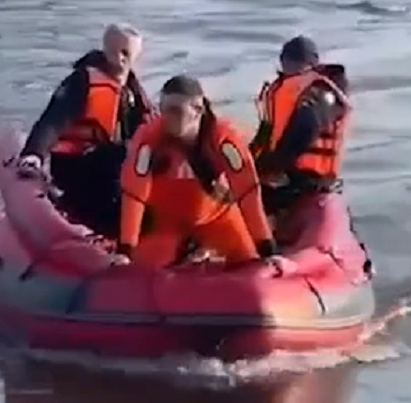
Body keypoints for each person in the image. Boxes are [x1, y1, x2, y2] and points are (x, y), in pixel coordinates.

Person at [115, 75, 290, 271]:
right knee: (142, 270)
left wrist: (268, 250)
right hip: (167, 223)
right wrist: (125, 250)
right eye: (163, 110)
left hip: (216, 217)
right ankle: (187, 250)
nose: (167, 118)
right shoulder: (149, 140)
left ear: (197, 110)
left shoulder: (223, 140)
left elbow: (247, 192)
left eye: (175, 111)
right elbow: (134, 195)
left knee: (250, 263)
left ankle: (201, 249)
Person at [16, 24, 155, 238]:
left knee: (142, 159)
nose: (122, 59)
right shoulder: (81, 82)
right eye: (118, 51)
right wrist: (33, 154)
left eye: (128, 53)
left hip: (114, 169)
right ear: (106, 49)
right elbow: (52, 121)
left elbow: (151, 129)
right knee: (121, 156)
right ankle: (109, 233)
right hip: (76, 167)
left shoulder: (133, 91)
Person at [248, 35, 353, 222]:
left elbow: (307, 128)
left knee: (246, 203)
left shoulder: (320, 91)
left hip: (308, 180)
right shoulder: (286, 91)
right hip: (287, 174)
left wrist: (275, 167)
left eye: (291, 62)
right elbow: (266, 133)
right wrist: (250, 164)